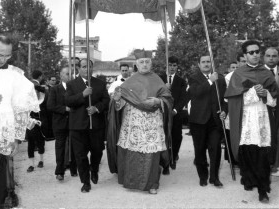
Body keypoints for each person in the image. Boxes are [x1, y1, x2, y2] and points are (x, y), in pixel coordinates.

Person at [0, 35, 39, 208]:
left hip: (2, 135)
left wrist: (15, 138)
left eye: (7, 55)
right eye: (0, 54)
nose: (3, 59)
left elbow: (21, 109)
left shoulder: (15, 75)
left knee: (0, 183)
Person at [107, 49, 173, 194]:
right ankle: (131, 181)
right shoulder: (130, 81)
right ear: (136, 64)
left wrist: (158, 100)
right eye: (141, 62)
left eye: (147, 62)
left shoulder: (157, 79)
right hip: (133, 123)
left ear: (151, 63)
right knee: (133, 153)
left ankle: (152, 184)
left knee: (151, 154)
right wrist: (117, 101)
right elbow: (119, 105)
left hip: (151, 123)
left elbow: (168, 100)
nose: (144, 64)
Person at [225, 40, 278, 203]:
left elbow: (274, 99)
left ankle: (263, 190)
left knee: (262, 156)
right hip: (246, 120)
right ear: (245, 55)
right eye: (251, 52)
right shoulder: (239, 73)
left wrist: (264, 94)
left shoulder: (266, 73)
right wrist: (253, 92)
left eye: (257, 52)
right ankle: (249, 179)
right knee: (247, 154)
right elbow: (233, 99)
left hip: (263, 119)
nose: (255, 55)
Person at [65, 58, 110, 193]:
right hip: (78, 126)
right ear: (79, 68)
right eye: (84, 67)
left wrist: (96, 108)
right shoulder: (72, 84)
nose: (87, 69)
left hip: (95, 125)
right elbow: (68, 100)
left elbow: (106, 101)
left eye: (89, 67)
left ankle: (94, 169)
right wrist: (83, 95)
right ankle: (85, 182)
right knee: (80, 155)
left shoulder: (100, 84)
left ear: (92, 68)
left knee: (97, 151)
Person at [188, 54, 227, 188]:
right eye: (203, 62)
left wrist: (224, 111)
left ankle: (214, 177)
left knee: (216, 149)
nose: (206, 64)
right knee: (199, 151)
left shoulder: (220, 79)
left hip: (214, 121)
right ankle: (203, 176)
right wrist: (210, 81)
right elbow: (196, 93)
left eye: (208, 62)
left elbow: (224, 100)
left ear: (212, 64)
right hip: (198, 121)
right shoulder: (193, 78)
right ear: (199, 65)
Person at [47, 66, 77, 181]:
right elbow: (50, 106)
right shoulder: (54, 89)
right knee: (60, 147)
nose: (70, 76)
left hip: (74, 122)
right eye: (67, 74)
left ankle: (74, 169)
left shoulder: (75, 89)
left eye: (71, 74)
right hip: (59, 123)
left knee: (75, 146)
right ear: (61, 75)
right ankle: (60, 171)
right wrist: (65, 109)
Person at [160, 56, 187, 174]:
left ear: (177, 67)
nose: (172, 68)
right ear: (167, 66)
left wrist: (176, 110)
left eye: (174, 65)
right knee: (164, 137)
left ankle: (173, 156)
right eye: (170, 65)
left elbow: (183, 98)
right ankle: (165, 164)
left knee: (176, 137)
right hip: (162, 114)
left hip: (175, 114)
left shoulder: (181, 81)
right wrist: (163, 88)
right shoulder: (160, 79)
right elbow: (155, 94)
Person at [263, 47, 279, 177]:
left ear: (278, 58)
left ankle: (277, 165)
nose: (271, 58)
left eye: (274, 56)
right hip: (263, 111)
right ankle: (264, 165)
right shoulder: (258, 73)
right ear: (264, 57)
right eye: (268, 56)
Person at [26, 70, 47, 172]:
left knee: (36, 140)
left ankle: (34, 163)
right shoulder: (36, 87)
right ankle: (38, 162)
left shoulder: (39, 87)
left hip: (33, 115)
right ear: (40, 77)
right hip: (34, 116)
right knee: (36, 139)